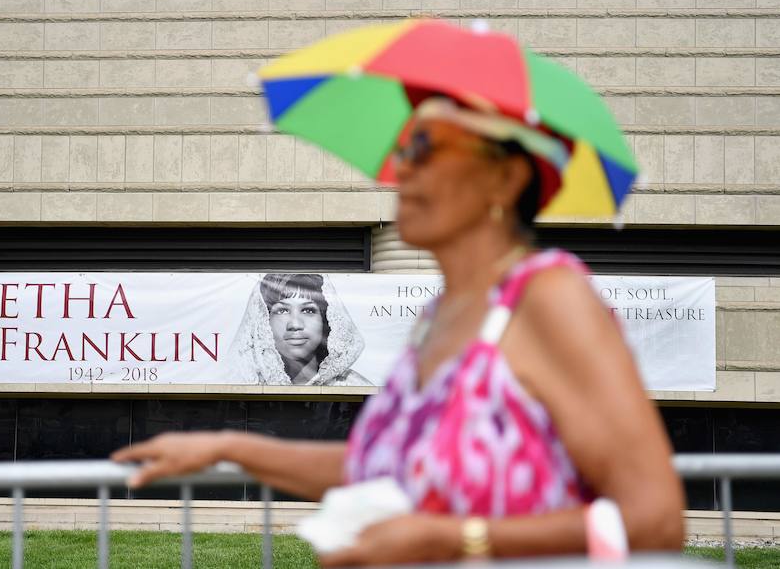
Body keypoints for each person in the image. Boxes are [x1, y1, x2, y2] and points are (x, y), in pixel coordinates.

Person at [112, 96, 685, 564]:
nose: (400, 168)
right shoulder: (438, 316)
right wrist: (227, 447)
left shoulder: (550, 297)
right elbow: (383, 470)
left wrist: (452, 539)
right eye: (402, 147)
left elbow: (653, 520)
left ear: (504, 178)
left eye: (424, 148)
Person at [228, 273, 369, 386]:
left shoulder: (357, 387)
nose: (295, 324)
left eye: (308, 310)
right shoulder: (243, 385)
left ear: (325, 319)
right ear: (264, 321)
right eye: (282, 310)